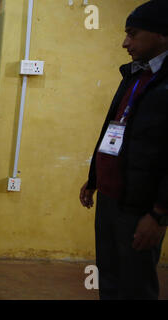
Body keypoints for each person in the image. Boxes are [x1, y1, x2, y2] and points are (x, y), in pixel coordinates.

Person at [79, 0, 168, 300]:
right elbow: (113, 129)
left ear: (162, 35)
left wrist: (159, 214)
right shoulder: (133, 75)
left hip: (140, 207)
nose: (124, 43)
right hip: (109, 197)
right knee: (110, 277)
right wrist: (94, 179)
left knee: (135, 286)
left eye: (132, 34)